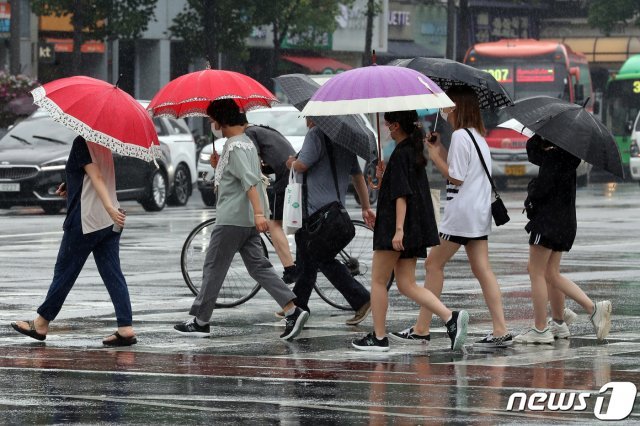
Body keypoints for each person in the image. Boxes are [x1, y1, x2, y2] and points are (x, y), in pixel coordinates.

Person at [174, 99, 308, 340]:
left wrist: (258, 213)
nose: (211, 124)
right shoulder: (246, 143)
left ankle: (201, 320)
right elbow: (245, 176)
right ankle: (292, 309)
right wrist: (219, 166)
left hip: (232, 219)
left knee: (213, 267)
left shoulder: (235, 146)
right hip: (245, 221)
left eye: (212, 120)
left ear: (222, 121)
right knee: (260, 267)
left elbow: (248, 181)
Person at [389, 85, 512, 349]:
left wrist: (433, 155)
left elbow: (456, 176)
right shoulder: (477, 136)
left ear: (456, 106)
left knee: (433, 265)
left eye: (447, 103)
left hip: (461, 214)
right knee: (483, 269)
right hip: (478, 214)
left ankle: (423, 328)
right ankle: (501, 329)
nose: (443, 109)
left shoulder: (460, 136)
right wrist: (440, 148)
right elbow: (463, 169)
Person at [351, 110, 469, 352]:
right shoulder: (410, 151)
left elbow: (402, 195)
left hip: (397, 228)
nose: (384, 129)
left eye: (386, 124)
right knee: (406, 284)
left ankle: (379, 336)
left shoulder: (401, 154)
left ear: (395, 126)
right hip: (412, 227)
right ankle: (450, 317)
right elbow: (401, 189)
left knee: (378, 281)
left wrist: (398, 230)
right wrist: (385, 178)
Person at [10, 136, 136, 346]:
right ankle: (125, 327)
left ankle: (41, 323)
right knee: (113, 273)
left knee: (64, 272)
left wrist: (108, 209)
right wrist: (71, 184)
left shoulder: (82, 141)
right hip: (109, 223)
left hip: (87, 220)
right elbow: (92, 173)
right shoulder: (104, 141)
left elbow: (95, 176)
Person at [514, 134, 612, 344]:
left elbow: (541, 190)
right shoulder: (568, 154)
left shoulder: (552, 158)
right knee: (551, 272)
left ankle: (543, 327)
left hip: (548, 222)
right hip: (564, 222)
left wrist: (531, 190)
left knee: (536, 271)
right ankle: (558, 323)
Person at [286, 118, 374, 326]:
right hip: (335, 213)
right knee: (309, 259)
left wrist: (290, 162)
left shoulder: (315, 135)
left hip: (315, 214)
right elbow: (357, 175)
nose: (305, 119)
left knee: (319, 259)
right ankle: (297, 307)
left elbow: (302, 165)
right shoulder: (344, 141)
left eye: (307, 115)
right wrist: (365, 206)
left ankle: (361, 299)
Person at [245, 123, 299, 283]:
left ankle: (290, 269)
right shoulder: (260, 130)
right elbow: (266, 164)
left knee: (274, 223)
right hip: (292, 174)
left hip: (287, 176)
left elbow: (251, 163)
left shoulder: (249, 134)